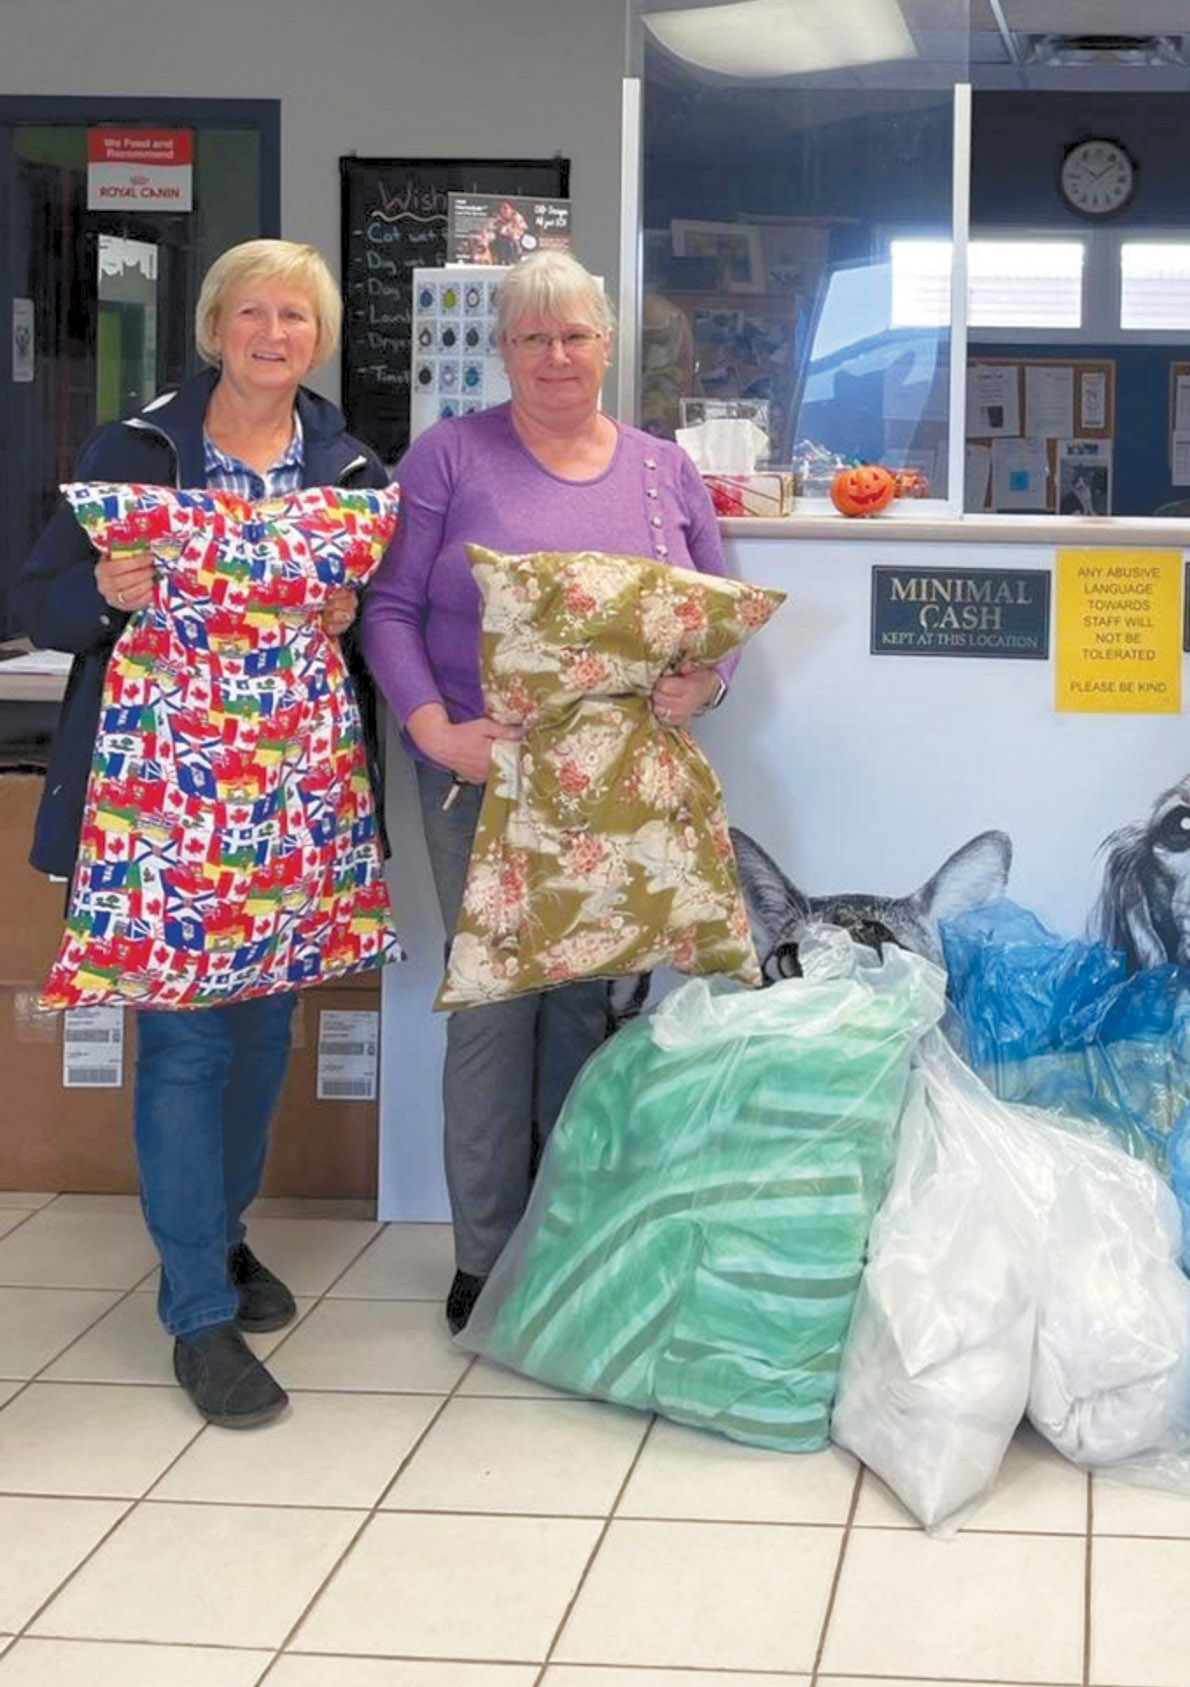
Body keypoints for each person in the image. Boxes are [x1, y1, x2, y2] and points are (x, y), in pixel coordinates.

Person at [18, 239, 387, 1429]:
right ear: (213, 325)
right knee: (184, 1044)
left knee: (267, 1021)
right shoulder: (138, 449)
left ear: (315, 338)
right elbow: (45, 600)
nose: (271, 333)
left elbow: (373, 607)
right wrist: (105, 593)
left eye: (294, 315)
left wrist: (349, 608)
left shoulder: (349, 460)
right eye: (249, 312)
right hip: (164, 794)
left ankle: (221, 1237)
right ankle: (194, 1314)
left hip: (289, 789)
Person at [362, 249, 735, 1336]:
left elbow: (713, 620)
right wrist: (436, 728)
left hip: (618, 781)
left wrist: (699, 683)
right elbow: (387, 608)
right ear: (503, 350)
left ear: (608, 345)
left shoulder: (664, 470)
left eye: (575, 335)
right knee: (493, 1004)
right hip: (480, 770)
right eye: (533, 337)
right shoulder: (445, 457)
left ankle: (563, 1231)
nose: (557, 355)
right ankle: (485, 1257)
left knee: (587, 999)